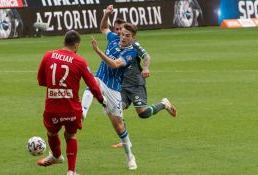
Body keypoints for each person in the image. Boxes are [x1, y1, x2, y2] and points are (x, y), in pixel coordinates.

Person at [36, 30, 105, 175]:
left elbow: (41, 81)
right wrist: (100, 99)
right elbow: (93, 85)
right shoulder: (79, 61)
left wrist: (55, 88)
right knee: (70, 136)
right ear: (77, 45)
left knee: (52, 133)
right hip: (72, 109)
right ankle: (71, 172)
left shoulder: (48, 56)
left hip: (52, 108)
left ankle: (56, 156)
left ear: (64, 42)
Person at [81, 5, 138, 170]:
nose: (123, 37)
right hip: (100, 79)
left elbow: (114, 64)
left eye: (127, 36)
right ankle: (83, 111)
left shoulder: (130, 53)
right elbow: (103, 27)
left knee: (119, 126)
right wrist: (106, 14)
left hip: (113, 89)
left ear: (132, 38)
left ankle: (130, 156)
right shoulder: (114, 38)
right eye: (122, 34)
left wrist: (98, 51)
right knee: (93, 81)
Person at [110, 20, 178, 148]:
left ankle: (164, 104)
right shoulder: (115, 44)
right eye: (119, 32)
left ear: (132, 36)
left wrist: (146, 68)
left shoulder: (134, 45)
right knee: (116, 109)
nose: (121, 35)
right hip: (122, 85)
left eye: (125, 34)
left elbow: (146, 56)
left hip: (135, 84)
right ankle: (124, 139)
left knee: (143, 113)